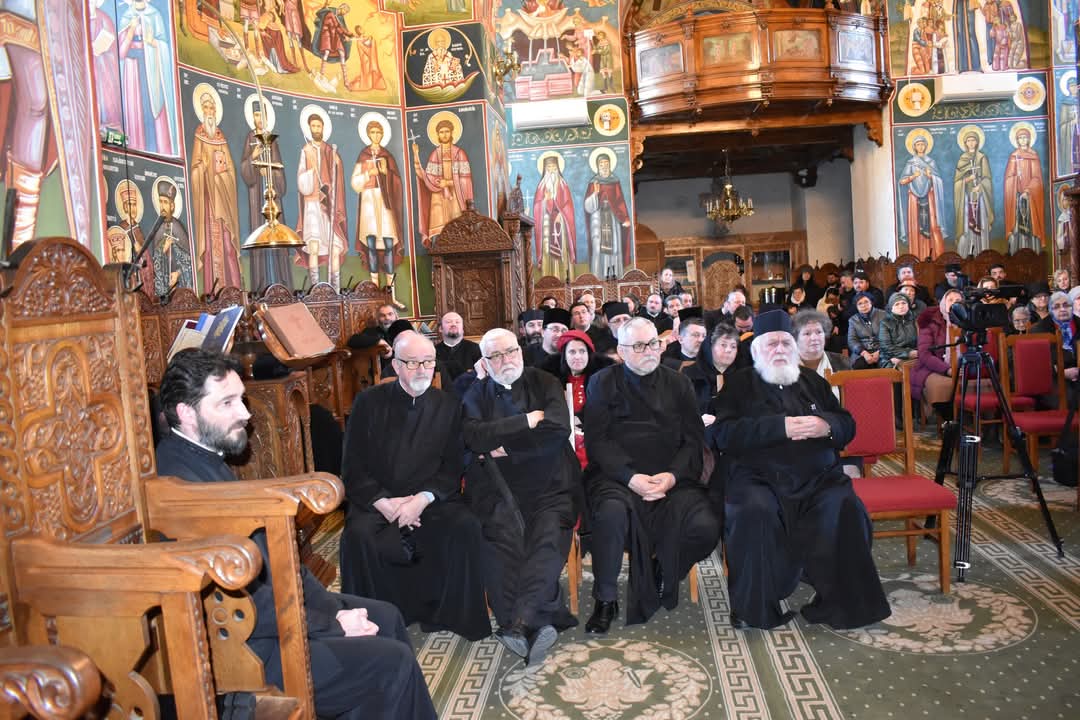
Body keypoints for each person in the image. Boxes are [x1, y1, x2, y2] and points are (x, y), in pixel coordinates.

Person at [155, 349, 436, 720]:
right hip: (248, 652)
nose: (246, 414)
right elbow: (237, 602)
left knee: (386, 616)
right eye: (227, 403)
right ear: (187, 413)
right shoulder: (179, 487)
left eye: (241, 399)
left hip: (272, 619)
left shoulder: (201, 458)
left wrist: (331, 610)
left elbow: (278, 562)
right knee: (391, 662)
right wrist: (332, 624)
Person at [706, 310, 890, 630]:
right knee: (753, 510)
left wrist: (825, 426)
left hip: (818, 479)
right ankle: (754, 607)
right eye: (771, 344)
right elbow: (723, 434)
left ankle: (843, 603)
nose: (779, 349)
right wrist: (780, 428)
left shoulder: (813, 382)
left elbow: (847, 424)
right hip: (758, 478)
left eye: (785, 343)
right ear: (756, 350)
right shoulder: (738, 385)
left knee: (844, 505)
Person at [339, 332, 489, 640]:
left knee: (465, 527)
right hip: (377, 501)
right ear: (395, 365)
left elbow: (452, 466)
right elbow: (352, 465)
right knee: (357, 537)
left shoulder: (449, 405)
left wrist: (421, 500)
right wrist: (385, 503)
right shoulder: (367, 402)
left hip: (430, 500)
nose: (422, 369)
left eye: (428, 362)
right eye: (412, 363)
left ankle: (450, 616)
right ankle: (377, 620)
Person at [582, 318, 720, 632]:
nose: (649, 351)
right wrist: (631, 478)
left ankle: (664, 566)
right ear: (621, 351)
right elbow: (597, 441)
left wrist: (671, 477)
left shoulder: (678, 383)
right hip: (618, 477)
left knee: (706, 527)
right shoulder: (602, 382)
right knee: (610, 514)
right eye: (639, 346)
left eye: (653, 344)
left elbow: (693, 440)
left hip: (672, 478)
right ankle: (605, 598)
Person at [462, 329, 579, 665]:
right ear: (485, 363)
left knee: (546, 537)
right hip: (498, 488)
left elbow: (557, 429)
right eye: (496, 356)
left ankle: (519, 622)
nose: (506, 360)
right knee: (501, 541)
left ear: (521, 351)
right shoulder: (477, 392)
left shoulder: (545, 382)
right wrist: (527, 420)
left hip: (552, 484)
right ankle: (535, 622)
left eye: (510, 351)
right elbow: (474, 436)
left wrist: (506, 448)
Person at [190, 90, 242, 292]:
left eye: (212, 107)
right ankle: (214, 292)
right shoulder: (199, 135)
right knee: (212, 248)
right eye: (206, 107)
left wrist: (223, 174)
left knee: (228, 246)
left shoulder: (221, 137)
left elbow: (231, 172)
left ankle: (235, 291)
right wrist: (204, 168)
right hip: (209, 204)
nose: (209, 111)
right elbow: (195, 171)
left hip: (223, 200)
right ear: (202, 111)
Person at [352, 118, 406, 307]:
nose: (376, 136)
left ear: (382, 134)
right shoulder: (363, 155)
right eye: (373, 132)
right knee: (371, 246)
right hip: (368, 203)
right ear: (368, 134)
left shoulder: (387, 156)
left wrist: (385, 172)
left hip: (385, 204)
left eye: (378, 132)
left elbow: (397, 182)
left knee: (389, 244)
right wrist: (369, 173)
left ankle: (391, 296)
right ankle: (374, 295)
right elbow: (355, 183)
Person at [240, 101, 291, 290]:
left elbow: (279, 168)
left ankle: (281, 283)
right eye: (256, 115)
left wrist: (269, 172)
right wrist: (254, 158)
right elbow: (244, 168)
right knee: (259, 234)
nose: (259, 119)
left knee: (277, 234)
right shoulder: (250, 138)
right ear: (252, 117)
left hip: (272, 194)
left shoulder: (272, 140)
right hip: (257, 197)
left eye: (262, 115)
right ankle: (261, 285)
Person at [296, 109, 348, 290]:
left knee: (335, 247)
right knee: (314, 246)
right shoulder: (306, 150)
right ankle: (316, 290)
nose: (316, 129)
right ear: (309, 128)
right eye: (313, 126)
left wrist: (337, 163)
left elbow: (338, 177)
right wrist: (311, 177)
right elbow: (301, 179)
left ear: (323, 128)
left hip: (329, 206)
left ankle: (336, 290)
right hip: (312, 205)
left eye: (319, 126)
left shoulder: (329, 150)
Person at [413, 117, 473, 246]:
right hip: (438, 197)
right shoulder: (435, 154)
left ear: (451, 133)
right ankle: (437, 256)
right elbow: (427, 178)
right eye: (441, 132)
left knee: (457, 231)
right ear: (437, 135)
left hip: (456, 198)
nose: (444, 134)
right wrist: (416, 156)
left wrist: (448, 183)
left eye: (447, 131)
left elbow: (465, 180)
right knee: (438, 232)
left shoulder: (459, 153)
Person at [555, 329, 607, 468]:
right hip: (565, 440)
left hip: (594, 438)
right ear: (564, 356)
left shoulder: (602, 380)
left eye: (582, 351)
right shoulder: (554, 381)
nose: (577, 356)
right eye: (572, 352)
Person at [912, 288, 964, 421]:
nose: (954, 303)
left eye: (958, 300)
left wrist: (964, 367)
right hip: (934, 367)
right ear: (943, 303)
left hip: (963, 367)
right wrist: (947, 369)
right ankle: (948, 421)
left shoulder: (968, 322)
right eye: (950, 300)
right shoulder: (930, 321)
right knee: (941, 387)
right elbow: (924, 354)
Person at [898, 131, 947, 259]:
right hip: (914, 199)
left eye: (922, 144)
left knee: (932, 226)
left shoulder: (931, 162)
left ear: (926, 146)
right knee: (916, 226)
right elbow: (902, 181)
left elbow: (939, 181)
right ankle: (917, 256)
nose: (920, 146)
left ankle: (934, 256)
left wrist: (931, 177)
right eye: (918, 144)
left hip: (929, 198)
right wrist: (913, 176)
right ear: (914, 147)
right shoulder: (911, 163)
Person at [583, 150, 632, 277]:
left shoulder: (614, 181)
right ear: (597, 166)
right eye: (601, 164)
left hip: (612, 218)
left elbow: (620, 201)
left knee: (614, 247)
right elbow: (588, 207)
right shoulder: (593, 182)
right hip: (598, 218)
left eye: (606, 164)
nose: (604, 167)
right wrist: (595, 194)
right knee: (598, 247)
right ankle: (598, 276)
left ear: (610, 165)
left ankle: (615, 276)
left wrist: (625, 217)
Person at [532, 154, 577, 280]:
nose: (551, 170)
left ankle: (564, 277)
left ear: (558, 168)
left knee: (562, 250)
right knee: (547, 250)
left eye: (553, 167)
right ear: (544, 169)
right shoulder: (541, 186)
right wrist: (545, 201)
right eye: (549, 167)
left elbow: (568, 205)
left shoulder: (563, 185)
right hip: (546, 223)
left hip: (560, 223)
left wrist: (561, 215)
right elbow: (537, 206)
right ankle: (548, 278)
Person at [147, 179, 194, 298]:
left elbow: (189, 261)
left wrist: (178, 273)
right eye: (160, 202)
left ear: (172, 205)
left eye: (165, 202)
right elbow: (154, 260)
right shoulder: (157, 228)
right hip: (164, 286)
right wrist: (163, 249)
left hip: (179, 285)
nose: (162, 206)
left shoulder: (178, 227)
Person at [952, 129, 994, 256]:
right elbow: (957, 182)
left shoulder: (982, 158)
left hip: (980, 198)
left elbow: (987, 179)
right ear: (965, 143)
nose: (971, 143)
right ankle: (966, 253)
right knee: (966, 226)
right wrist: (967, 180)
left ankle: (982, 252)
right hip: (966, 199)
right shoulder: (962, 159)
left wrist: (980, 186)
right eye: (968, 141)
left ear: (977, 142)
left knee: (981, 223)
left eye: (973, 140)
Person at [1004, 127, 1045, 253]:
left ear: (1029, 139)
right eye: (1020, 138)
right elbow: (1008, 178)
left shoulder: (1033, 156)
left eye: (1025, 137)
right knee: (1017, 226)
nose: (1022, 140)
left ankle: (1033, 253)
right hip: (1017, 197)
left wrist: (1027, 191)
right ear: (1017, 140)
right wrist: (1015, 179)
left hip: (1031, 198)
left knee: (1031, 225)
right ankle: (1017, 252)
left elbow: (1037, 178)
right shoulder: (1014, 156)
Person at [683, 323, 740, 413]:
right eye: (723, 345)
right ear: (710, 347)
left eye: (733, 346)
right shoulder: (689, 375)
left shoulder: (742, 375)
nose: (729, 350)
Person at [792, 310, 850, 391]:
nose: (814, 338)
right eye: (807, 333)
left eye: (819, 332)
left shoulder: (842, 361)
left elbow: (852, 395)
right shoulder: (786, 367)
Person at [435, 311, 482, 389]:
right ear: (440, 328)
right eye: (448, 322)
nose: (453, 324)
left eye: (457, 322)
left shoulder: (476, 349)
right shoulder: (433, 352)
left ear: (463, 329)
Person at [878, 293, 918, 368]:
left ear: (908, 305)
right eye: (897, 304)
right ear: (891, 308)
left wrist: (916, 353)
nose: (901, 306)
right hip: (890, 357)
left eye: (904, 303)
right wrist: (908, 353)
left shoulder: (915, 320)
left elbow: (922, 341)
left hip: (914, 355)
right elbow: (886, 347)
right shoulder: (885, 323)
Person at [847, 292, 885, 369]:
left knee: (885, 365)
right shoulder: (853, 320)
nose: (863, 305)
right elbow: (852, 340)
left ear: (871, 303)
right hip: (861, 353)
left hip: (882, 350)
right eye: (860, 304)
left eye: (866, 302)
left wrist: (880, 352)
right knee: (859, 365)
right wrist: (864, 353)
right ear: (856, 306)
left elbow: (890, 337)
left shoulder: (883, 315)